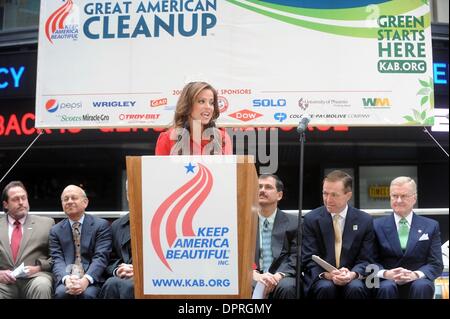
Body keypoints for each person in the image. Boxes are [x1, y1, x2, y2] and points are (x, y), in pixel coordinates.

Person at [302, 170, 375, 299]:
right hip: (322, 276)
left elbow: (366, 258)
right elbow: (308, 257)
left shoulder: (365, 220)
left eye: (334, 195)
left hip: (352, 275)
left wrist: (352, 274)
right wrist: (327, 275)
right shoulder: (311, 219)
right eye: (325, 193)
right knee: (325, 287)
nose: (328, 199)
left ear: (348, 195)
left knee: (356, 288)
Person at [373, 176, 443, 299]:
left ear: (414, 198)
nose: (398, 200)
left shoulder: (431, 226)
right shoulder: (376, 225)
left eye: (404, 196)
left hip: (418, 280)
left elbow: (436, 264)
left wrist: (415, 275)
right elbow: (369, 260)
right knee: (386, 287)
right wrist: (386, 273)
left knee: (422, 286)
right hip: (386, 280)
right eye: (394, 196)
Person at [49, 185, 112, 299]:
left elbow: (101, 257)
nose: (69, 201)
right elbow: (57, 259)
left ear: (85, 202)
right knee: (62, 293)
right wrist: (66, 279)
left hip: (92, 278)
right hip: (67, 278)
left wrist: (85, 280)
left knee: (87, 294)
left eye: (74, 198)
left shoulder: (101, 226)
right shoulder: (55, 230)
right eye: (65, 199)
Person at [0, 181, 54, 299]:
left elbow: (57, 257)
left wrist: (38, 268)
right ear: (5, 204)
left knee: (42, 285)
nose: (21, 202)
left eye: (23, 198)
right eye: (15, 199)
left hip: (35, 278)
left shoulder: (46, 223)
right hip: (3, 283)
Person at [155, 81, 232, 155]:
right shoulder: (167, 138)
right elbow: (161, 168)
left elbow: (228, 168)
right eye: (201, 101)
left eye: (211, 103)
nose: (208, 107)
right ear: (187, 105)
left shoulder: (222, 138)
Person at [253, 174, 297, 299]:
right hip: (254, 275)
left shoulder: (294, 223)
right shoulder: (244, 222)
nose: (262, 190)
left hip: (281, 276)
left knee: (288, 287)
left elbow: (296, 256)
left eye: (268, 187)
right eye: (259, 187)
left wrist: (278, 276)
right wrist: (253, 274)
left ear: (279, 195)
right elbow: (237, 255)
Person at [99, 212, 134, 299]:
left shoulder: (166, 222)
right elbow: (109, 258)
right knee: (111, 284)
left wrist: (140, 271)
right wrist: (118, 270)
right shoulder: (117, 225)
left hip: (156, 278)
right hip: (123, 275)